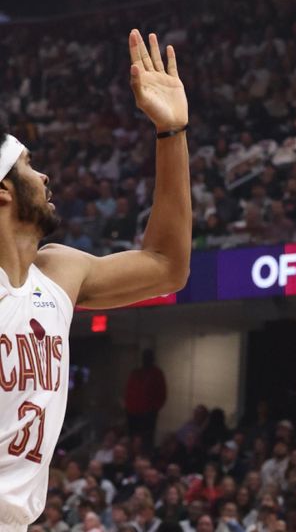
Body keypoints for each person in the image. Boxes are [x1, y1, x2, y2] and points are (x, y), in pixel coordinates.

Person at [0, 30, 191, 529]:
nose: (43, 177)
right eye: (28, 165)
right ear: (3, 193)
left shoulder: (58, 272)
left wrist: (171, 134)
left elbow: (168, 265)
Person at [124, 349, 168, 449]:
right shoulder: (135, 373)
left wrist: (153, 410)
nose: (145, 360)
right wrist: (127, 407)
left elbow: (162, 394)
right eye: (144, 357)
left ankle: (146, 458)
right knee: (133, 438)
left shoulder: (157, 373)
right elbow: (129, 391)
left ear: (152, 359)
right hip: (132, 413)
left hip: (148, 414)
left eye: (148, 357)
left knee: (146, 439)